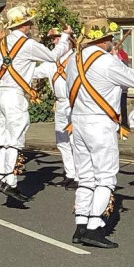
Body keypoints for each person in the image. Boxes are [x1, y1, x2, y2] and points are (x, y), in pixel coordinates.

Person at [67, 19, 134, 248]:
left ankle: (80, 225)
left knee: (85, 177)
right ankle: (95, 228)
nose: (113, 41)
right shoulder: (106, 62)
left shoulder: (72, 61)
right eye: (110, 38)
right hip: (100, 123)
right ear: (103, 40)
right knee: (106, 177)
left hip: (78, 122)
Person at [0, 6, 70, 202]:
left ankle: (2, 177)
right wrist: (64, 37)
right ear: (24, 25)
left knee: (2, 139)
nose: (31, 25)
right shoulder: (28, 44)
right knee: (15, 139)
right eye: (29, 22)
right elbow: (53, 56)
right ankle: (10, 182)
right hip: (15, 95)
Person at [33, 26, 77, 189]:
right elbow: (33, 73)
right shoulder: (51, 62)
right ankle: (70, 173)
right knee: (62, 141)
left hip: (74, 104)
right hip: (60, 104)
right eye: (54, 39)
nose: (55, 41)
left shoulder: (76, 58)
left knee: (74, 140)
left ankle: (80, 176)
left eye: (58, 38)